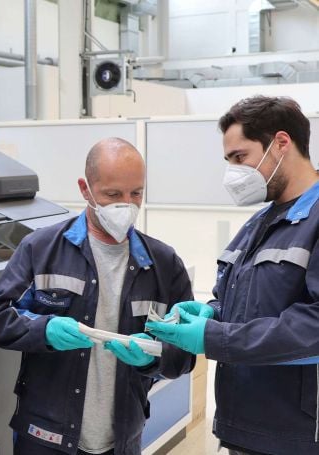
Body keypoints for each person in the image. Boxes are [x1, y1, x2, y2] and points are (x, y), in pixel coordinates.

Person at [0, 138, 195, 455]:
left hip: (122, 439)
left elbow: (185, 355)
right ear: (85, 189)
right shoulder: (41, 250)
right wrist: (44, 330)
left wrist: (153, 357)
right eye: (112, 194)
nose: (126, 204)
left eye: (136, 193)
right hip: (45, 437)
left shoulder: (164, 265)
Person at [147, 95, 319, 455]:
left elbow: (313, 327)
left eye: (240, 157)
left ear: (281, 143)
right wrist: (209, 312)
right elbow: (236, 303)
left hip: (297, 436)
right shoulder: (259, 223)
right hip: (245, 427)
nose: (234, 173)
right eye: (228, 161)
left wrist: (213, 338)